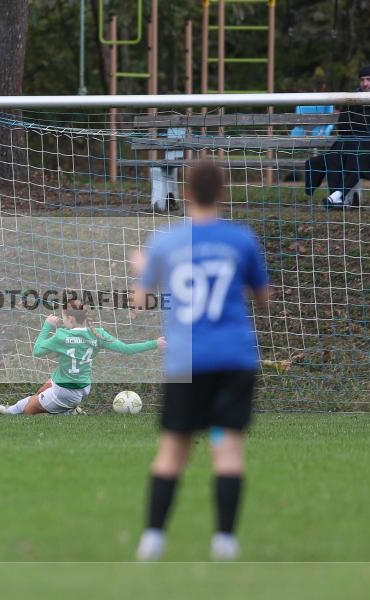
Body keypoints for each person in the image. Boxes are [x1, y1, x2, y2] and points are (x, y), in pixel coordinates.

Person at [131, 161, 270, 561]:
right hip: (234, 356)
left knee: (173, 450)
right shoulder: (241, 239)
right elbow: (262, 299)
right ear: (223, 192)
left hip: (187, 360)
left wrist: (142, 271)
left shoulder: (165, 241)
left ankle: (153, 539)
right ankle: (225, 541)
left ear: (186, 193)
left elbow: (139, 301)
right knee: (227, 449)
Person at [0, 299, 164, 416]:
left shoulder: (61, 336)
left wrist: (47, 326)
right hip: (82, 385)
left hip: (66, 391)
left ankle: (12, 411)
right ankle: (66, 407)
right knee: (44, 386)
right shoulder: (97, 333)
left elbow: (37, 351)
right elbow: (126, 349)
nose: (62, 320)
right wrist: (155, 343)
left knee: (25, 410)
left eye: (63, 317)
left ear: (70, 318)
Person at [305, 64, 370, 209]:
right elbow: (343, 124)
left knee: (358, 154)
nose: (365, 83)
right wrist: (368, 126)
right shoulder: (353, 100)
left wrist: (362, 125)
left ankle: (338, 195)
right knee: (333, 156)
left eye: (369, 79)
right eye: (362, 80)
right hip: (351, 141)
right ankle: (338, 200)